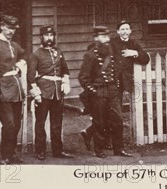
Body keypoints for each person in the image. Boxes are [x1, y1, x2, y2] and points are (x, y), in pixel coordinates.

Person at [78, 26, 133, 158]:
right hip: (99, 91)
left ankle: (119, 149)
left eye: (107, 36)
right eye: (103, 37)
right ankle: (99, 149)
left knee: (118, 120)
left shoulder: (111, 52)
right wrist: (93, 90)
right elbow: (83, 77)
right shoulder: (90, 55)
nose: (106, 40)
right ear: (96, 38)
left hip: (112, 90)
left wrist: (117, 84)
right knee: (100, 122)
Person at [0, 15, 27, 164]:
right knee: (9, 124)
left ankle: (12, 153)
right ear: (2, 26)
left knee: (17, 124)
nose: (10, 31)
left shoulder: (14, 45)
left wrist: (21, 63)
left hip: (16, 89)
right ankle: (6, 155)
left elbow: (24, 54)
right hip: (2, 89)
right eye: (8, 28)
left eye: (13, 29)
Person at [27, 25, 74, 160]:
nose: (49, 38)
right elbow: (30, 76)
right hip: (43, 92)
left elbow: (65, 70)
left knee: (57, 123)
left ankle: (57, 151)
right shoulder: (36, 54)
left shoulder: (58, 52)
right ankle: (40, 151)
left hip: (57, 92)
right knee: (40, 123)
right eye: (46, 35)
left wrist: (65, 82)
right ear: (41, 37)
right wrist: (35, 93)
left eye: (51, 35)